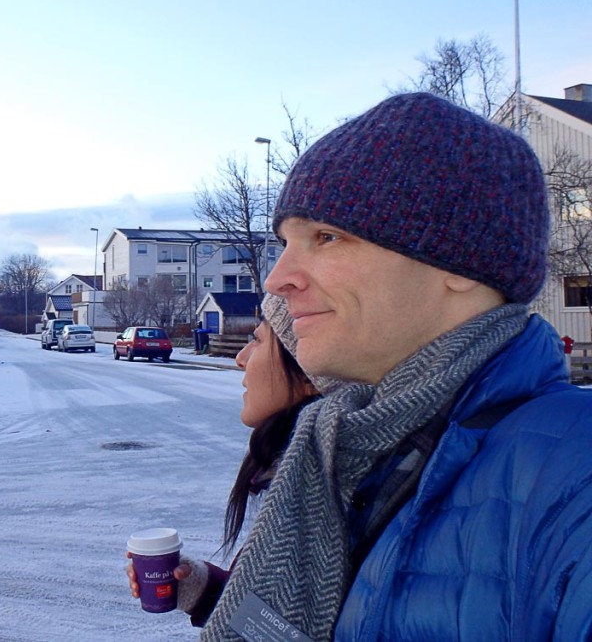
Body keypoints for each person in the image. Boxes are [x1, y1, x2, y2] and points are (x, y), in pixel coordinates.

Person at [201, 93, 592, 642]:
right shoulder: (352, 444)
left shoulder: (574, 472)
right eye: (286, 242)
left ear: (458, 266)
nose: (277, 278)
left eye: (327, 237)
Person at [126, 295, 334, 626]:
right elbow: (280, 624)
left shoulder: (324, 491)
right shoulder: (298, 469)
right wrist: (203, 589)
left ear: (309, 374)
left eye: (257, 340)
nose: (240, 359)